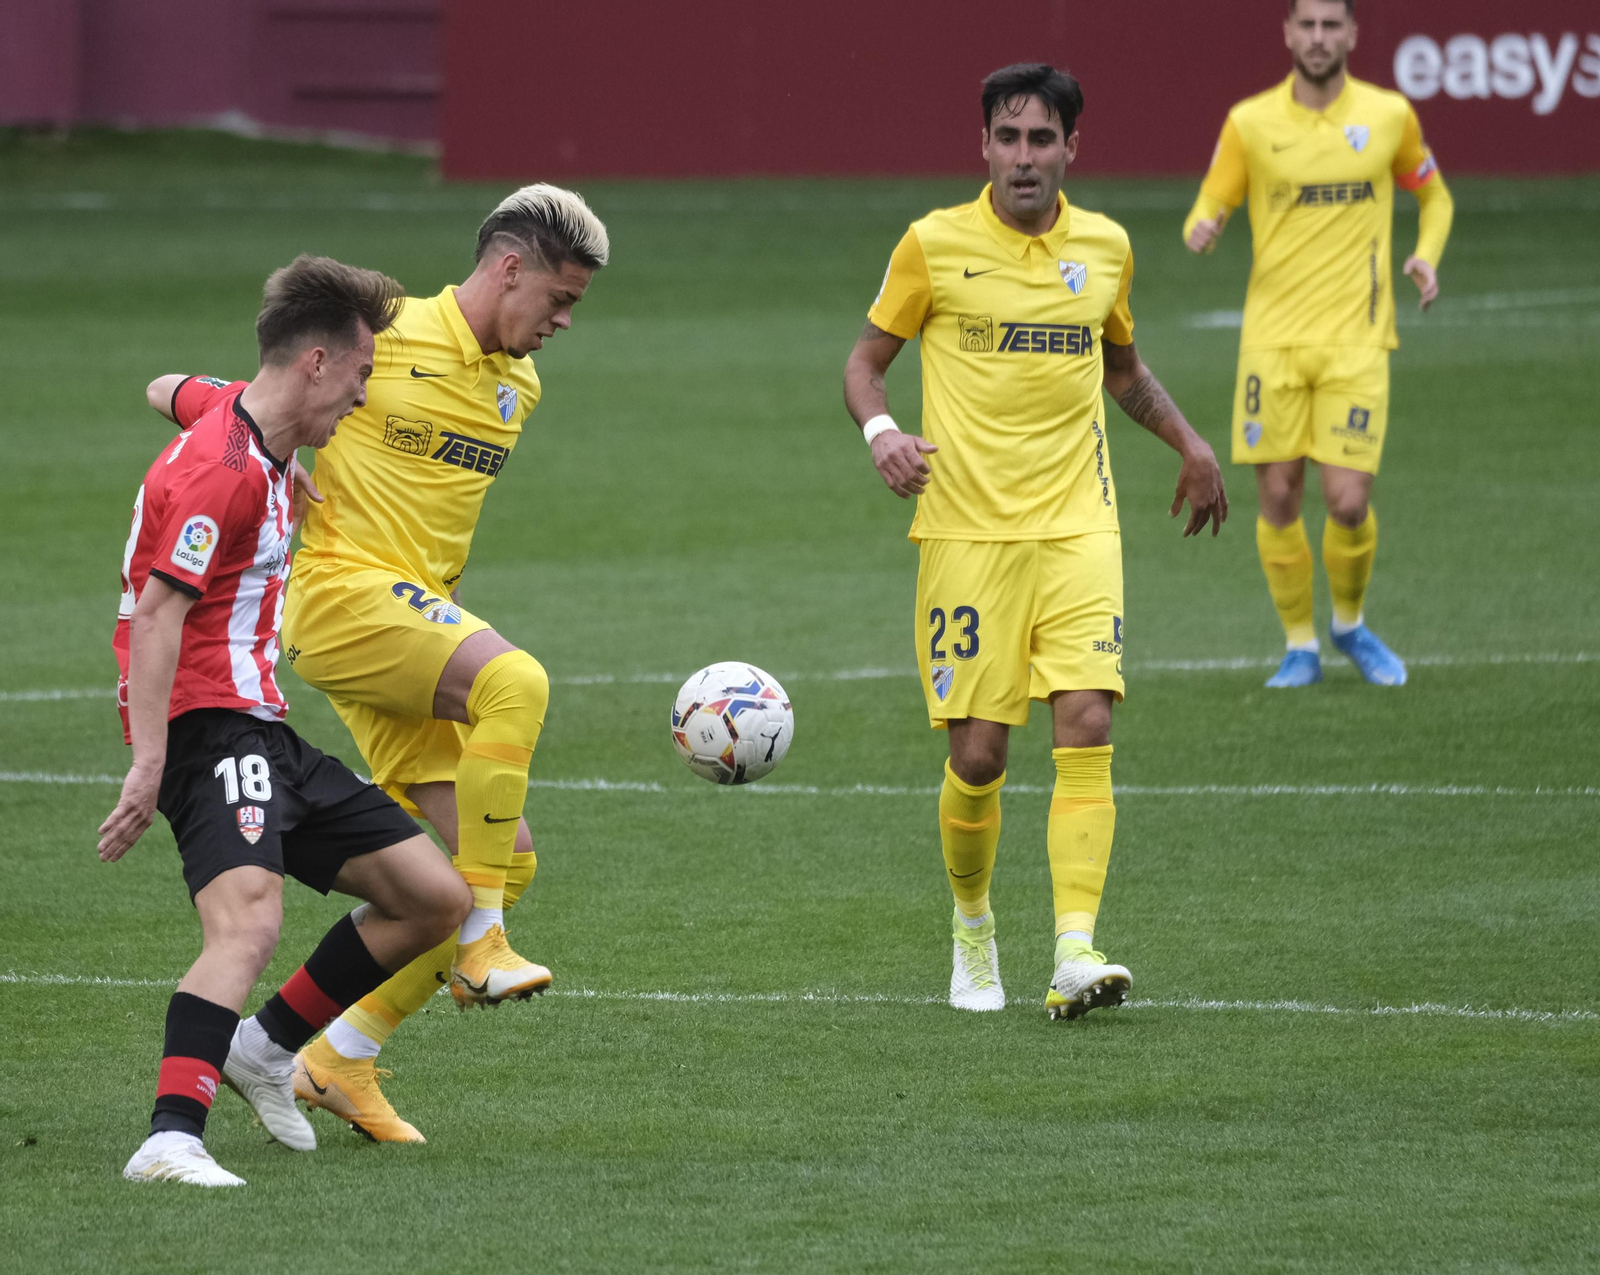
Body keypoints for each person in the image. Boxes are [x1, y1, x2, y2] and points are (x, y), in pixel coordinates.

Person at [144, 184, 609, 1141]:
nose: (563, 321)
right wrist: (262, 449)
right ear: (507, 267)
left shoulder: (518, 386)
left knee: (499, 859)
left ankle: (329, 1056)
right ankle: (484, 942)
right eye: (558, 298)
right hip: (340, 595)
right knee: (515, 682)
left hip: (414, 626)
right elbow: (184, 393)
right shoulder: (382, 337)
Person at [843, 64, 1227, 1019]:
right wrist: (881, 433)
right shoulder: (933, 245)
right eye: (1008, 138)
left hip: (1079, 525)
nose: (1025, 157)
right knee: (979, 755)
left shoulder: (1104, 249)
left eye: (1041, 139)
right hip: (967, 533)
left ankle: (1073, 947)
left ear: (1071, 150)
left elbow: (1123, 368)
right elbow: (865, 362)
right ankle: (974, 928)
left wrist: (1189, 441)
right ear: (983, 146)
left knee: (1088, 721)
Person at [104, 256, 472, 1187]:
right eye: (357, 375)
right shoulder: (220, 477)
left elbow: (164, 387)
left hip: (261, 728)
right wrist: (150, 762)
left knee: (434, 897)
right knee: (247, 925)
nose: (361, 397)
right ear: (314, 362)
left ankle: (266, 1048)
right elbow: (156, 614)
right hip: (204, 728)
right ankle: (169, 1138)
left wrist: (288, 461)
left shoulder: (240, 417)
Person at [1183, 0, 1453, 688]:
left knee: (1348, 502)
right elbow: (1212, 198)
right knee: (1278, 499)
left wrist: (1426, 255)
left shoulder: (1389, 115)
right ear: (1287, 34)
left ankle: (1350, 624)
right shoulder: (1251, 122)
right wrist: (1204, 225)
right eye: (1308, 24)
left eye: (1332, 25)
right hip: (1271, 344)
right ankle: (1299, 644)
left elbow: (1435, 195)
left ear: (1353, 35)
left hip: (1358, 341)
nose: (1319, 37)